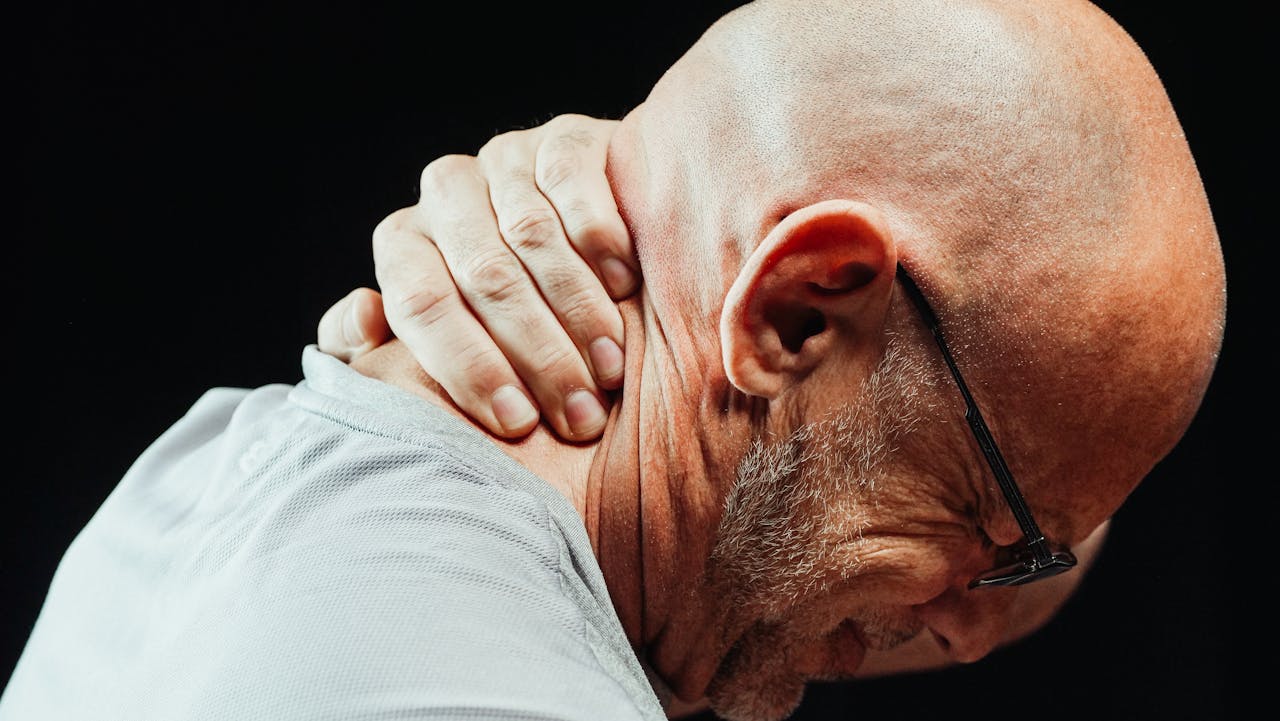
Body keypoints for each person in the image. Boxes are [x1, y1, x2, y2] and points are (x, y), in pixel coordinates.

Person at [0, 2, 1224, 721]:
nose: (963, 629)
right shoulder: (465, 687)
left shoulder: (211, 475)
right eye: (998, 536)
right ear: (794, 314)